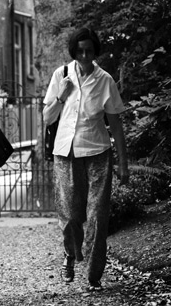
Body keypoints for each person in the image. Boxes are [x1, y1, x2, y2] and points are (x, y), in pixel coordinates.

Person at [43, 27, 129, 291]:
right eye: (79, 50)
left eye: (89, 50)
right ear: (73, 51)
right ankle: (70, 254)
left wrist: (123, 163)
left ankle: (94, 276)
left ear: (95, 51)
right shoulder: (61, 75)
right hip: (66, 155)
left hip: (98, 155)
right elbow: (47, 118)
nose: (83, 55)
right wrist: (62, 94)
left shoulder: (105, 80)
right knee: (69, 216)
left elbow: (115, 124)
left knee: (97, 217)